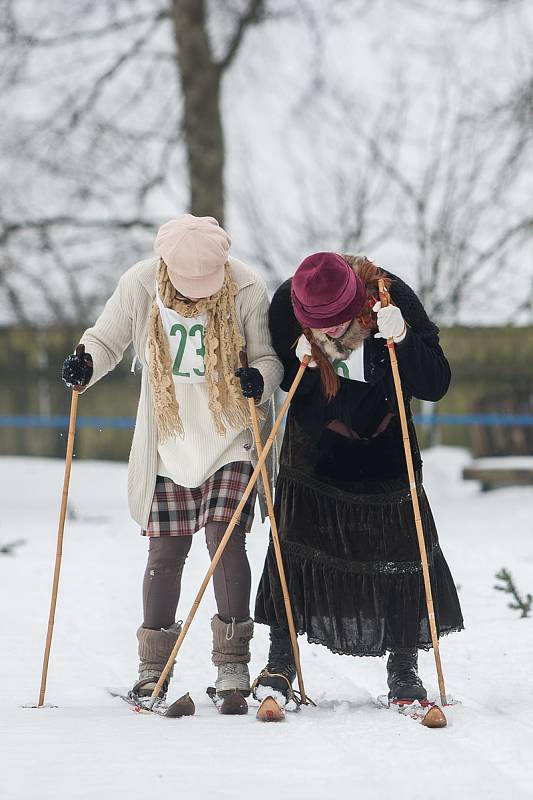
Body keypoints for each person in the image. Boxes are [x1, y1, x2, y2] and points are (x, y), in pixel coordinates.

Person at [61, 214, 283, 700]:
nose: (200, 293)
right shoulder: (142, 283)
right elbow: (106, 338)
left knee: (225, 542)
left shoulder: (245, 286)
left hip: (230, 437)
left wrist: (259, 380)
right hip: (169, 440)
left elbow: (269, 359)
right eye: (191, 284)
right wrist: (85, 362)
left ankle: (232, 666)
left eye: (208, 283)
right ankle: (152, 669)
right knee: (165, 553)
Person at [253, 251, 463, 703]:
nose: (329, 331)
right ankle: (280, 660)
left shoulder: (391, 296)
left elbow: (437, 384)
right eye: (318, 323)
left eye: (337, 322)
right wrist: (297, 361)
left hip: (386, 444)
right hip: (316, 449)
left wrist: (404, 338)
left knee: (402, 554)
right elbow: (281, 377)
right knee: (293, 548)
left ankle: (404, 664)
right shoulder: (287, 302)